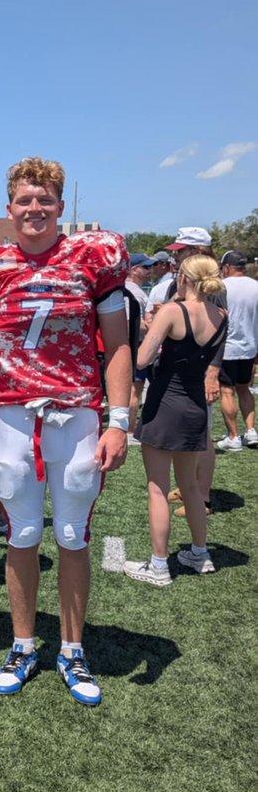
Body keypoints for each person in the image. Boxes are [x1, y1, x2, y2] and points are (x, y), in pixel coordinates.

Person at [0, 156, 131, 706]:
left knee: (71, 537)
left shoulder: (93, 258)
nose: (34, 209)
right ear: (9, 208)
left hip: (77, 416)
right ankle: (22, 642)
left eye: (45, 200)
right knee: (21, 535)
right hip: (14, 416)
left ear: (61, 207)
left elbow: (119, 345)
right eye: (24, 200)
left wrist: (119, 420)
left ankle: (72, 647)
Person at [124, 255, 227, 586]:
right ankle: (200, 553)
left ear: (182, 277)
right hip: (195, 405)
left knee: (157, 488)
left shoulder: (172, 311)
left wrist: (149, 330)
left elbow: (142, 358)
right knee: (192, 487)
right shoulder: (221, 315)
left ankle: (158, 564)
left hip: (165, 404)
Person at [216, 250, 258, 450]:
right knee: (245, 388)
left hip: (227, 347)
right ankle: (251, 431)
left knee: (227, 390)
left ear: (226, 267)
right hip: (250, 346)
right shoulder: (255, 286)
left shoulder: (221, 286)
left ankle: (233, 436)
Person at [125, 253, 156, 440]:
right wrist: (155, 326)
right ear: (133, 269)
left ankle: (129, 427)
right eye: (146, 267)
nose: (150, 271)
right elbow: (131, 322)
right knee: (134, 389)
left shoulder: (135, 290)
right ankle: (129, 429)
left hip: (133, 345)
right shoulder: (133, 291)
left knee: (134, 388)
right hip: (134, 346)